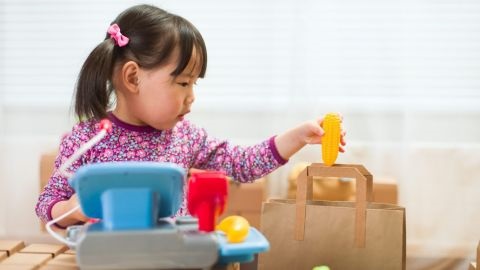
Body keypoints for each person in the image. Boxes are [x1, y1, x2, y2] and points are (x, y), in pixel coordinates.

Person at [35, 4, 345, 228]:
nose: (192, 95)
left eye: (194, 84)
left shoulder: (186, 137)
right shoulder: (86, 140)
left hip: (174, 259)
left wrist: (298, 136)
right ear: (133, 78)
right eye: (183, 82)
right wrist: (71, 209)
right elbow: (47, 203)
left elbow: (243, 164)